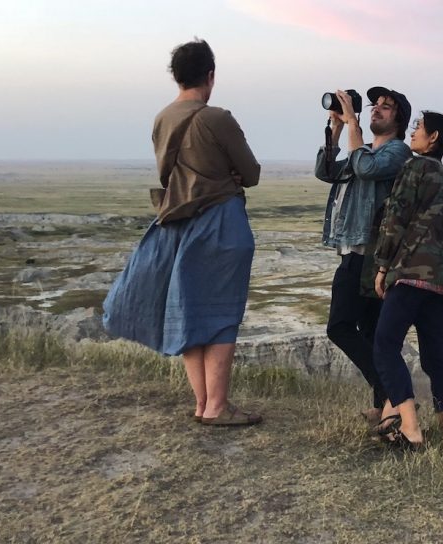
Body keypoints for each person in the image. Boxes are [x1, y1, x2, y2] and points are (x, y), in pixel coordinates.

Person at [102, 38, 263, 426]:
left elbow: (169, 174)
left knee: (190, 311)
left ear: (177, 77)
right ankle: (219, 407)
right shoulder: (217, 117)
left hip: (179, 223)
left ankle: (202, 403)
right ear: (211, 75)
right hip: (221, 222)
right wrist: (229, 175)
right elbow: (252, 174)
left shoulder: (162, 119)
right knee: (222, 313)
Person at [315, 87, 413, 426]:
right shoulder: (365, 151)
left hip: (369, 254)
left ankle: (394, 397)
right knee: (372, 333)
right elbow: (327, 172)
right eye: (375, 106)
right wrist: (337, 130)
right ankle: (384, 406)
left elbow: (367, 169)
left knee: (339, 326)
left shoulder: (398, 152)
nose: (377, 111)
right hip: (360, 250)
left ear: (400, 121)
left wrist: (353, 125)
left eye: (387, 108)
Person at [372, 111, 443, 448]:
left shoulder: (414, 168)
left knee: (384, 345)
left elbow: (394, 219)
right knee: (434, 355)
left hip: (412, 273)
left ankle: (410, 428)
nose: (413, 133)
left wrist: (382, 266)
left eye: (419, 129)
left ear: (434, 138)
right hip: (440, 279)